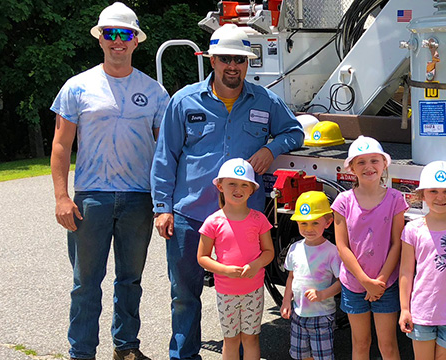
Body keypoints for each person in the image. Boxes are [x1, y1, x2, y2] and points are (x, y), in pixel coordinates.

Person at [151, 23, 303, 360]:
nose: (232, 66)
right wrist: (162, 207)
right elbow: (165, 157)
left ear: (248, 63)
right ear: (211, 60)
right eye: (224, 59)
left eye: (239, 59)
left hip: (243, 219)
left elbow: (295, 132)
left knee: (244, 289)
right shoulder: (184, 101)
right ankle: (184, 355)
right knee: (184, 293)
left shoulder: (265, 100)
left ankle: (243, 349)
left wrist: (272, 148)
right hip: (191, 213)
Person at [49, 2, 168, 360]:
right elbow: (60, 144)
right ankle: (81, 352)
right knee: (86, 283)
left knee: (130, 281)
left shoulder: (155, 92)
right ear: (100, 39)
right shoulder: (77, 87)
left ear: (136, 41)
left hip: (138, 198)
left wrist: (163, 202)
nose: (118, 41)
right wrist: (61, 197)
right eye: (111, 34)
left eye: (125, 34)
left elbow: (164, 152)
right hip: (91, 199)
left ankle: (126, 347)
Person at [331, 136, 407, 360]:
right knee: (360, 343)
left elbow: (397, 244)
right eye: (361, 162)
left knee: (388, 345)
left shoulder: (395, 199)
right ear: (352, 168)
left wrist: (380, 282)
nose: (368, 167)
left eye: (374, 160)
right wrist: (365, 281)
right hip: (354, 284)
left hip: (386, 284)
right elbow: (342, 245)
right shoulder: (343, 201)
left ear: (384, 164)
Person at [197, 158, 274, 360]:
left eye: (244, 184)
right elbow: (202, 257)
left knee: (251, 339)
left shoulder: (259, 219)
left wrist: (256, 264)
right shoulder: (213, 221)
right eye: (232, 183)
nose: (237, 189)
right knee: (230, 340)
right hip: (226, 292)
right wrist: (225, 270)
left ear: (251, 190)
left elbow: (269, 252)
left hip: (253, 291)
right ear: (220, 186)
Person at [399, 161, 446, 359]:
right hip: (421, 313)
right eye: (433, 191)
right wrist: (405, 309)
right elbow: (406, 272)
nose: (440, 197)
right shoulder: (412, 230)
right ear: (422, 194)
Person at [279, 191, 343, 360]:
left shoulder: (331, 252)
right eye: (304, 224)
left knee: (322, 356)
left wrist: (323, 294)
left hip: (322, 315)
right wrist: (286, 301)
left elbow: (341, 282)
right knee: (302, 355)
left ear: (328, 222)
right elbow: (291, 278)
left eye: (315, 223)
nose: (309, 229)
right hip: (298, 314)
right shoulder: (295, 248)